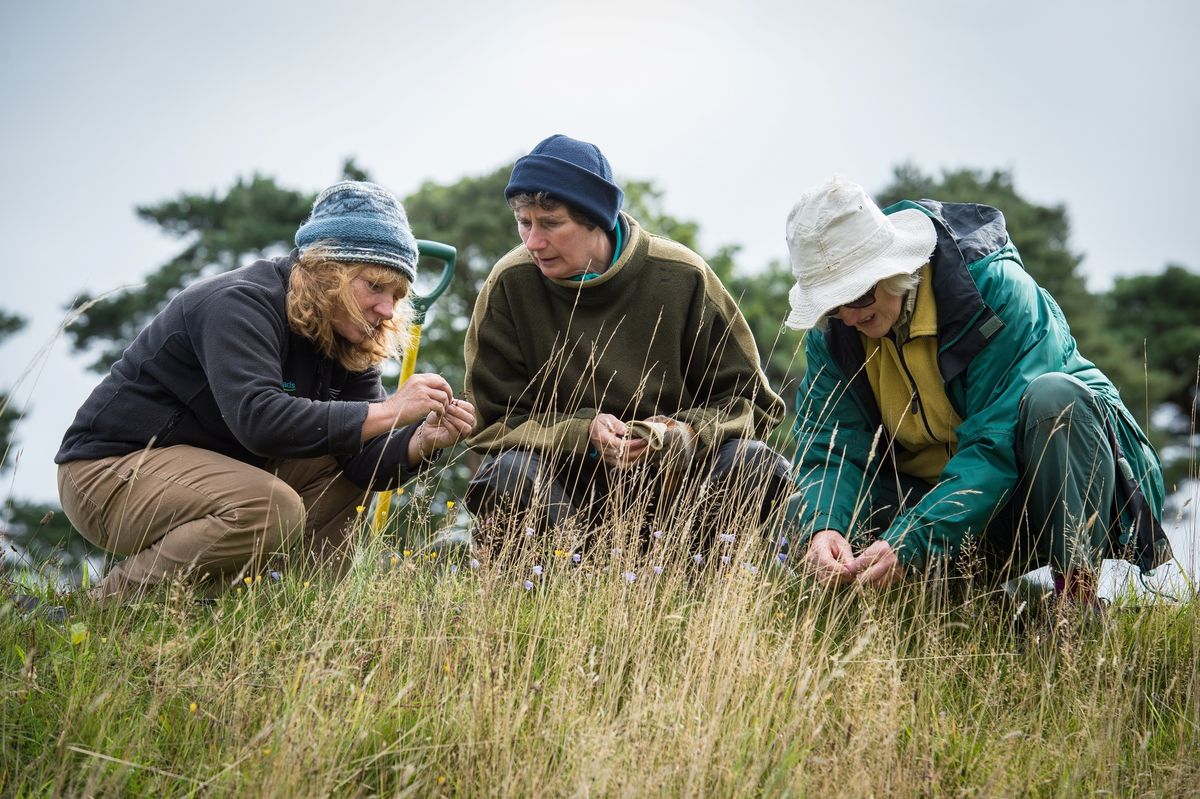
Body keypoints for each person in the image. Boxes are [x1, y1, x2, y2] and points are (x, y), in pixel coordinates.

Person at [55, 180, 475, 600]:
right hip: (108, 472)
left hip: (221, 472)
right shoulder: (238, 303)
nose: (387, 309)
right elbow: (259, 420)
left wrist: (421, 440)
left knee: (341, 477)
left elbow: (361, 461)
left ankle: (286, 613)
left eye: (397, 295)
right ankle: (99, 607)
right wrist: (392, 411)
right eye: (375, 286)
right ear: (329, 272)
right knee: (272, 506)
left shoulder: (350, 337)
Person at [783, 177, 1172, 601]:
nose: (847, 316)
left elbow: (995, 445)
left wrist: (913, 539)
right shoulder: (834, 334)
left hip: (1058, 484)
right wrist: (825, 527)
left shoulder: (997, 290)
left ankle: (1074, 605)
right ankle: (967, 605)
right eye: (832, 305)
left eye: (855, 296)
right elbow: (830, 450)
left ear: (892, 268)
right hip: (942, 500)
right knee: (806, 508)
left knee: (1055, 398)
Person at [463, 134, 789, 551]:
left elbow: (752, 404)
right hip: (562, 500)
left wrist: (684, 435)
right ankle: (544, 604)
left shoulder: (682, 276)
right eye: (524, 222)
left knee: (754, 462)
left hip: (681, 498)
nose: (533, 242)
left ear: (596, 218)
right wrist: (583, 433)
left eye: (550, 223)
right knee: (507, 474)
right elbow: (488, 422)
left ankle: (700, 601)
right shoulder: (510, 283)